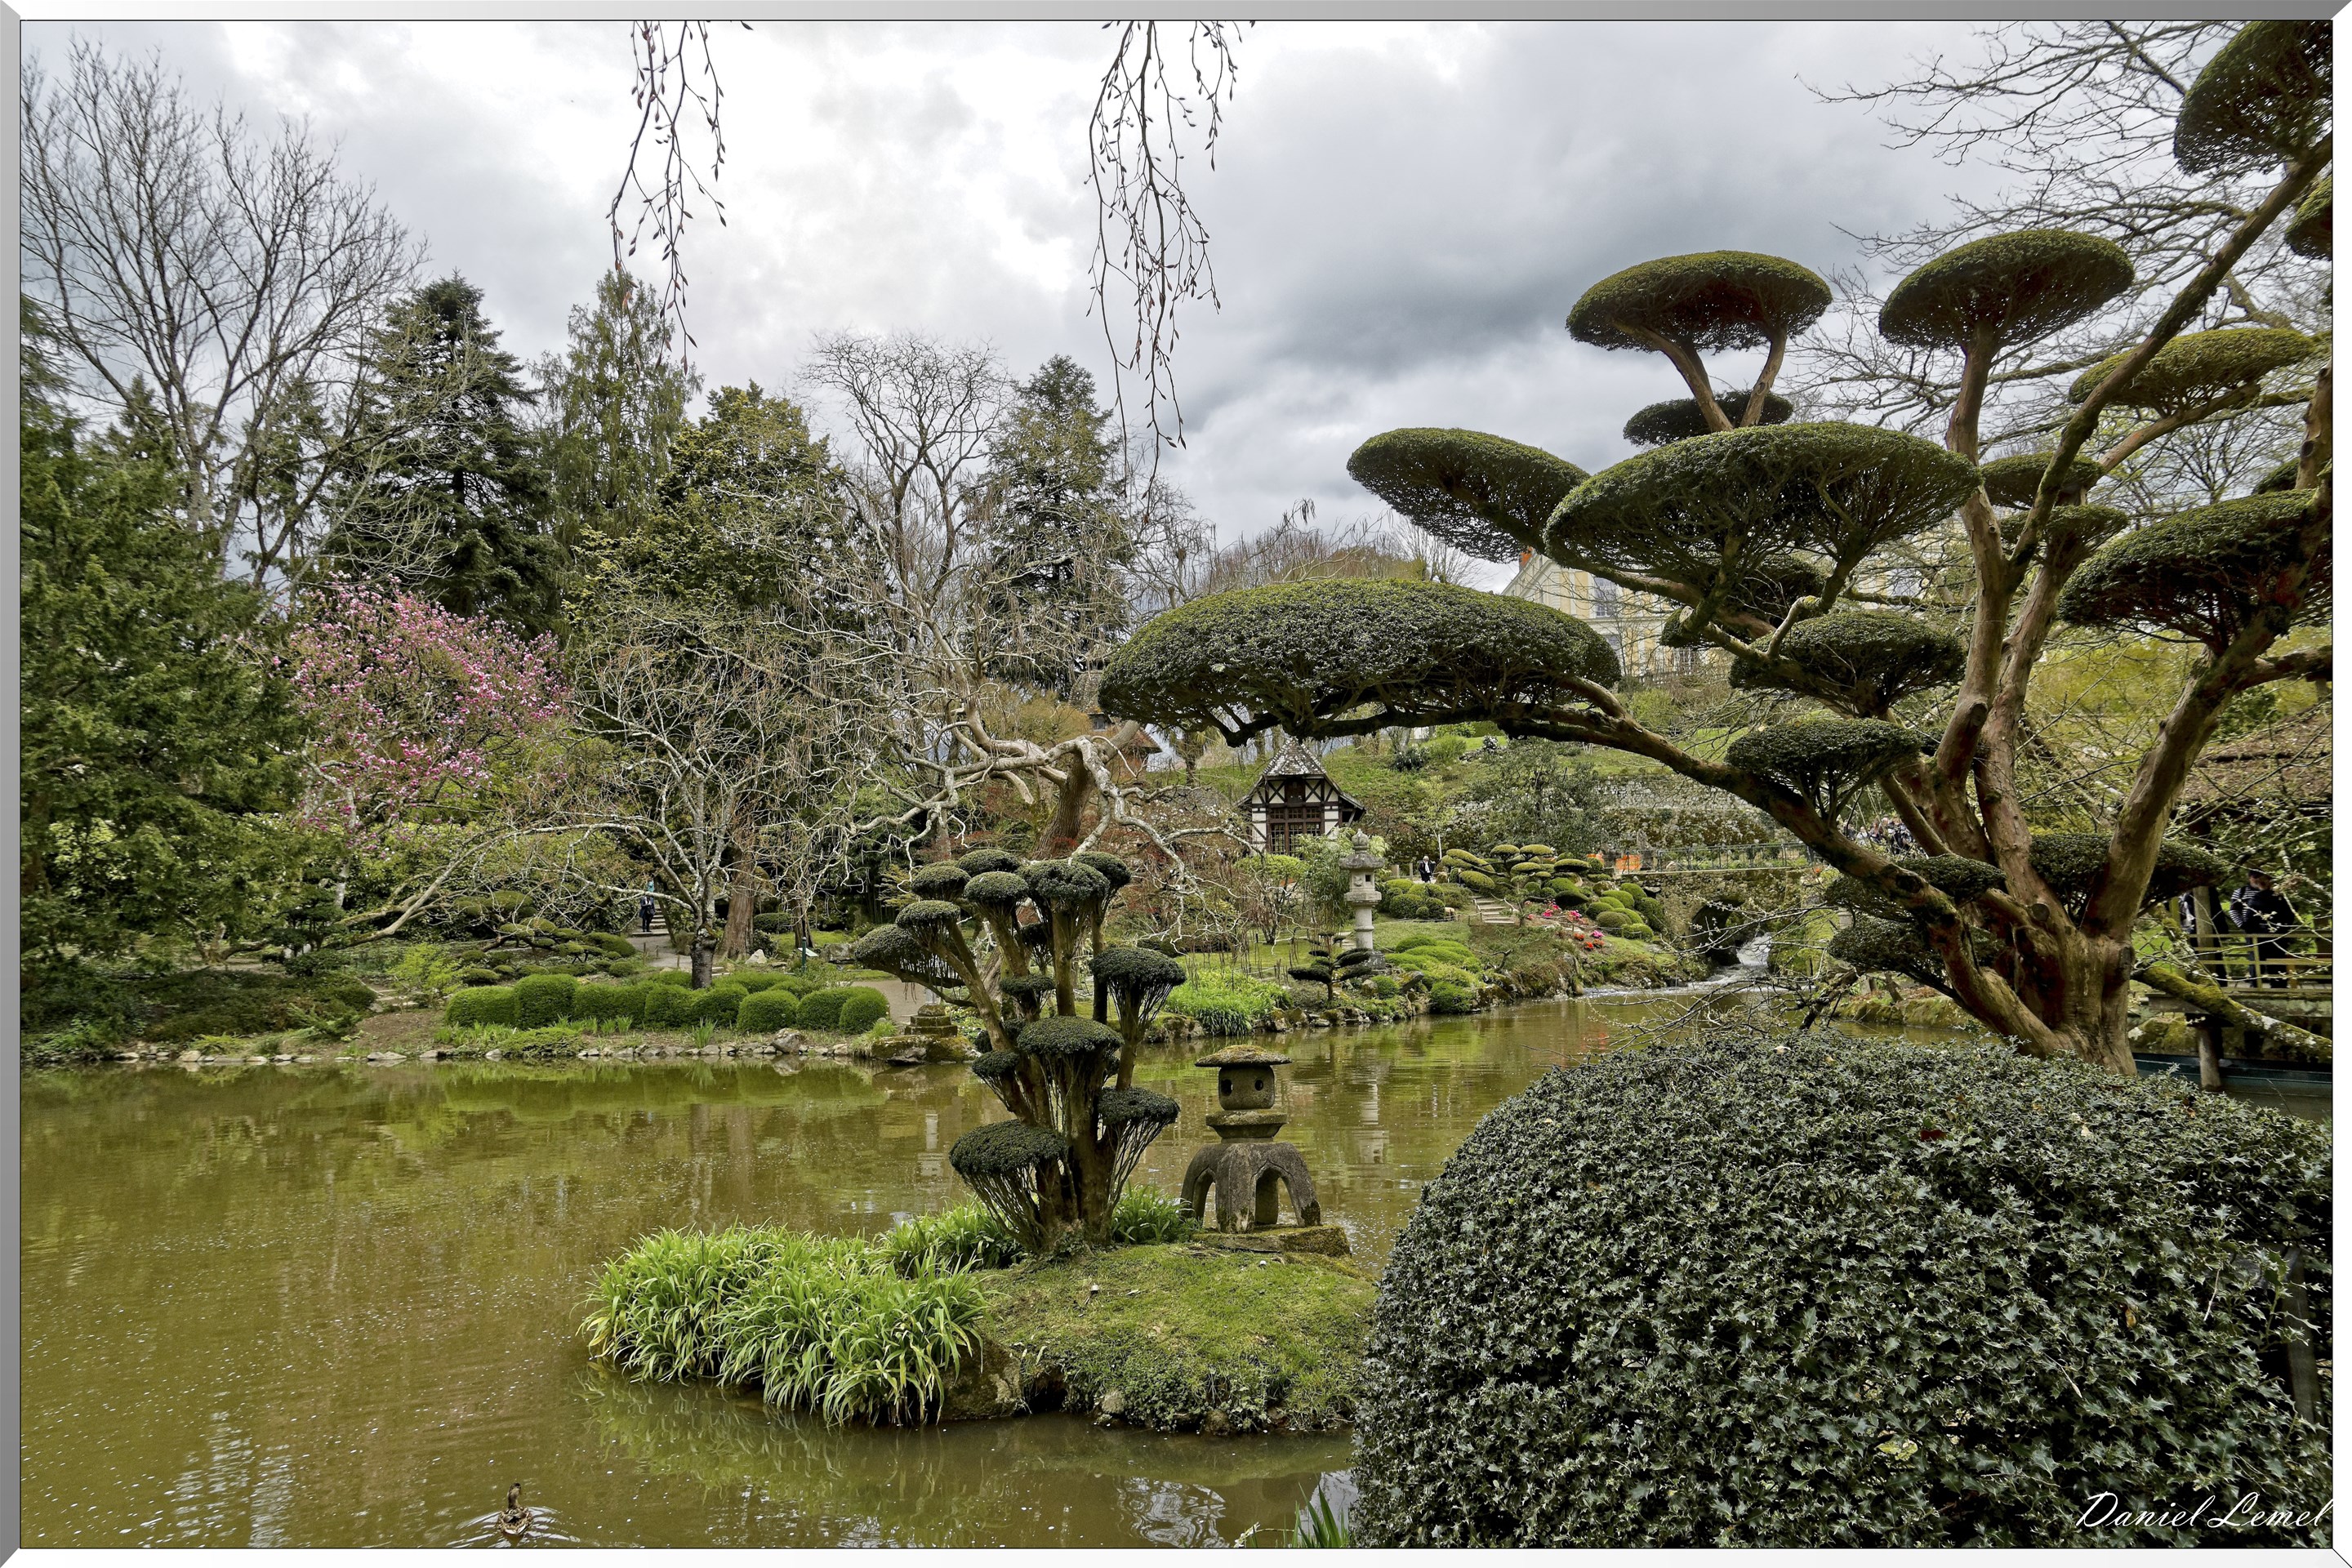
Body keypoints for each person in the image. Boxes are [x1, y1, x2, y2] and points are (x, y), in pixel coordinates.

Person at [2229, 870, 2300, 987]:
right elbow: (2234, 911)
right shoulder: (2241, 892)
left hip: (2276, 931)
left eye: (2260, 877)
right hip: (2253, 931)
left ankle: (2278, 985)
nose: (2257, 880)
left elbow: (2289, 910)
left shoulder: (2276, 892)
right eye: (2254, 877)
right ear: (2250, 878)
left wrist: (2284, 926)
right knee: (2256, 960)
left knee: (2276, 959)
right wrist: (2243, 926)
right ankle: (2256, 985)